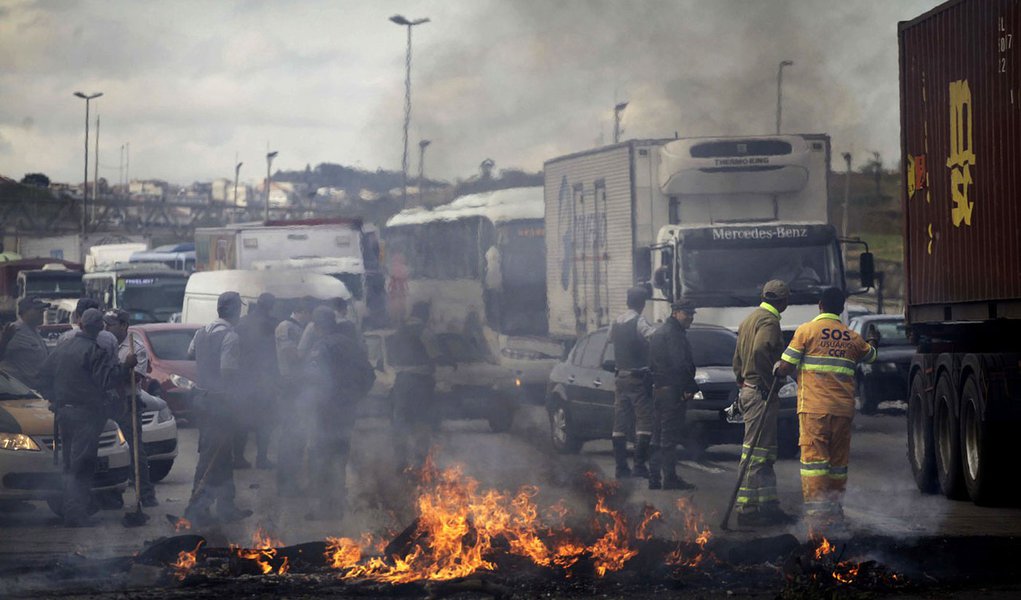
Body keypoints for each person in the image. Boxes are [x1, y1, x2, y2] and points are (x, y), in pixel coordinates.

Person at [775, 287, 877, 531]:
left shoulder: (807, 331)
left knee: (814, 462)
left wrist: (777, 368)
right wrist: (873, 341)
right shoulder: (851, 337)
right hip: (843, 410)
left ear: (820, 305)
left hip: (814, 409)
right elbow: (871, 355)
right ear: (841, 308)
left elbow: (785, 367)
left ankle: (817, 515)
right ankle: (835, 510)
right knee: (837, 463)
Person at [36, 309, 137, 526]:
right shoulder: (95, 351)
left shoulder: (62, 349)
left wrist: (54, 399)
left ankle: (73, 509)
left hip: (64, 413)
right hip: (86, 415)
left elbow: (41, 376)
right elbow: (107, 381)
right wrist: (126, 366)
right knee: (81, 465)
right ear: (100, 327)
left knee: (70, 463)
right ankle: (74, 514)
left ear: (81, 325)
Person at [732, 280, 797, 526]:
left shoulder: (749, 319)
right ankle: (746, 511)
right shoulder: (769, 321)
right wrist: (768, 383)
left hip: (749, 390)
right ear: (782, 301)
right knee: (756, 454)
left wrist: (741, 378)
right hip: (760, 394)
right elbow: (760, 351)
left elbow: (737, 355)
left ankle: (769, 505)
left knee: (765, 452)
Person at [183, 292, 252, 525]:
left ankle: (226, 506)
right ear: (233, 311)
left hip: (202, 399)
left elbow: (190, 353)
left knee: (222, 453)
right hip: (219, 402)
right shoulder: (230, 336)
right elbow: (228, 371)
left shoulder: (202, 331)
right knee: (212, 454)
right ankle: (197, 509)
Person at [305, 306, 374, 520]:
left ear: (318, 326)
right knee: (339, 457)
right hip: (346, 410)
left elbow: (315, 378)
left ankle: (327, 509)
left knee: (322, 458)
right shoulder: (352, 345)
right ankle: (336, 507)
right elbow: (369, 375)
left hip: (326, 411)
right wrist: (355, 397)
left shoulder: (322, 346)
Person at [103, 309, 158, 507]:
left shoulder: (136, 347)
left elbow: (135, 378)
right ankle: (111, 495)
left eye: (111, 324)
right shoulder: (104, 344)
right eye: (106, 324)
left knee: (135, 449)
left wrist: (123, 368)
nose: (107, 327)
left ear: (124, 325)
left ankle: (145, 493)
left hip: (127, 402)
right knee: (109, 448)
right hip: (107, 402)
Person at [647, 299, 698, 491]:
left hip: (659, 389)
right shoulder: (673, 334)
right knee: (668, 437)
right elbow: (679, 363)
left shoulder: (659, 332)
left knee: (657, 434)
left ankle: (654, 477)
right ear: (675, 313)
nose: (690, 318)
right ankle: (669, 478)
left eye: (692, 314)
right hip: (672, 391)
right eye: (687, 314)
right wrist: (689, 386)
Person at [609, 286, 656, 479]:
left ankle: (621, 467)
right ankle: (639, 465)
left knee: (620, 422)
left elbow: (610, 339)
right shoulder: (639, 320)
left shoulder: (616, 322)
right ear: (642, 304)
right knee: (644, 421)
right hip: (637, 378)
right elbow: (652, 337)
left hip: (620, 377)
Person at [234, 292, 279, 469]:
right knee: (265, 422)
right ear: (271, 305)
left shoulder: (242, 323)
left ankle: (238, 457)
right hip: (264, 380)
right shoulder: (272, 324)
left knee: (242, 421)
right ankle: (261, 458)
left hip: (243, 380)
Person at [389, 310, 436, 474]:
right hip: (421, 382)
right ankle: (420, 463)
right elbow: (435, 353)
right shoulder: (424, 332)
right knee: (421, 421)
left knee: (400, 421)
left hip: (401, 381)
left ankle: (400, 461)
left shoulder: (398, 332)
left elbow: (390, 357)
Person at [274, 297, 313, 494]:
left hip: (297, 386)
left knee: (298, 436)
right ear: (303, 311)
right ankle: (286, 483)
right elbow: (290, 354)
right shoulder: (286, 327)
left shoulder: (295, 327)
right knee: (291, 435)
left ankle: (290, 481)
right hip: (290, 386)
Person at [0, 297, 52, 387]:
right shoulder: (13, 331)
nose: (42, 312)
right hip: (19, 391)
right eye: (37, 309)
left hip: (36, 389)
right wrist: (4, 340)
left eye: (43, 309)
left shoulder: (35, 331)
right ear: (24, 312)